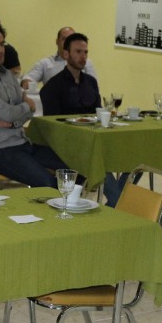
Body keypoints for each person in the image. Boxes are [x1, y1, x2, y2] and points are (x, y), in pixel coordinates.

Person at [0, 24, 67, 188]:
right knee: (48, 183)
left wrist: (12, 123)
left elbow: (28, 113)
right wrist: (25, 106)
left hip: (23, 143)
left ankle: (71, 201)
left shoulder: (8, 75)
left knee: (75, 167)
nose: (0, 50)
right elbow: (9, 112)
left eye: (2, 44)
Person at [40, 33, 122, 206]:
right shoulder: (53, 86)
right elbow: (52, 126)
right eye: (78, 52)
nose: (83, 56)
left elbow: (97, 113)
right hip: (66, 147)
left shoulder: (91, 82)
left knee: (128, 159)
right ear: (66, 54)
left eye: (85, 52)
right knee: (98, 162)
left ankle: (117, 203)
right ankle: (119, 202)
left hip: (92, 142)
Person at [22, 26, 99, 90]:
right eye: (64, 39)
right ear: (57, 41)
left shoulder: (86, 62)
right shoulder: (45, 63)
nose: (67, 42)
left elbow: (93, 87)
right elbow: (27, 81)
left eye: (71, 39)